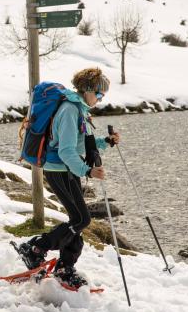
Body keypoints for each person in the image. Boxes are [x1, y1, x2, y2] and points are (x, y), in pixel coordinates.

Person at [15, 67, 121, 288]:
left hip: (67, 169)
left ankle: (64, 266)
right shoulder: (70, 110)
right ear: (88, 90)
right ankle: (36, 248)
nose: (101, 99)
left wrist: (105, 142)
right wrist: (87, 171)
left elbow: (79, 143)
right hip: (58, 169)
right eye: (100, 94)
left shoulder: (79, 109)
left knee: (78, 219)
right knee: (81, 219)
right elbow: (65, 151)